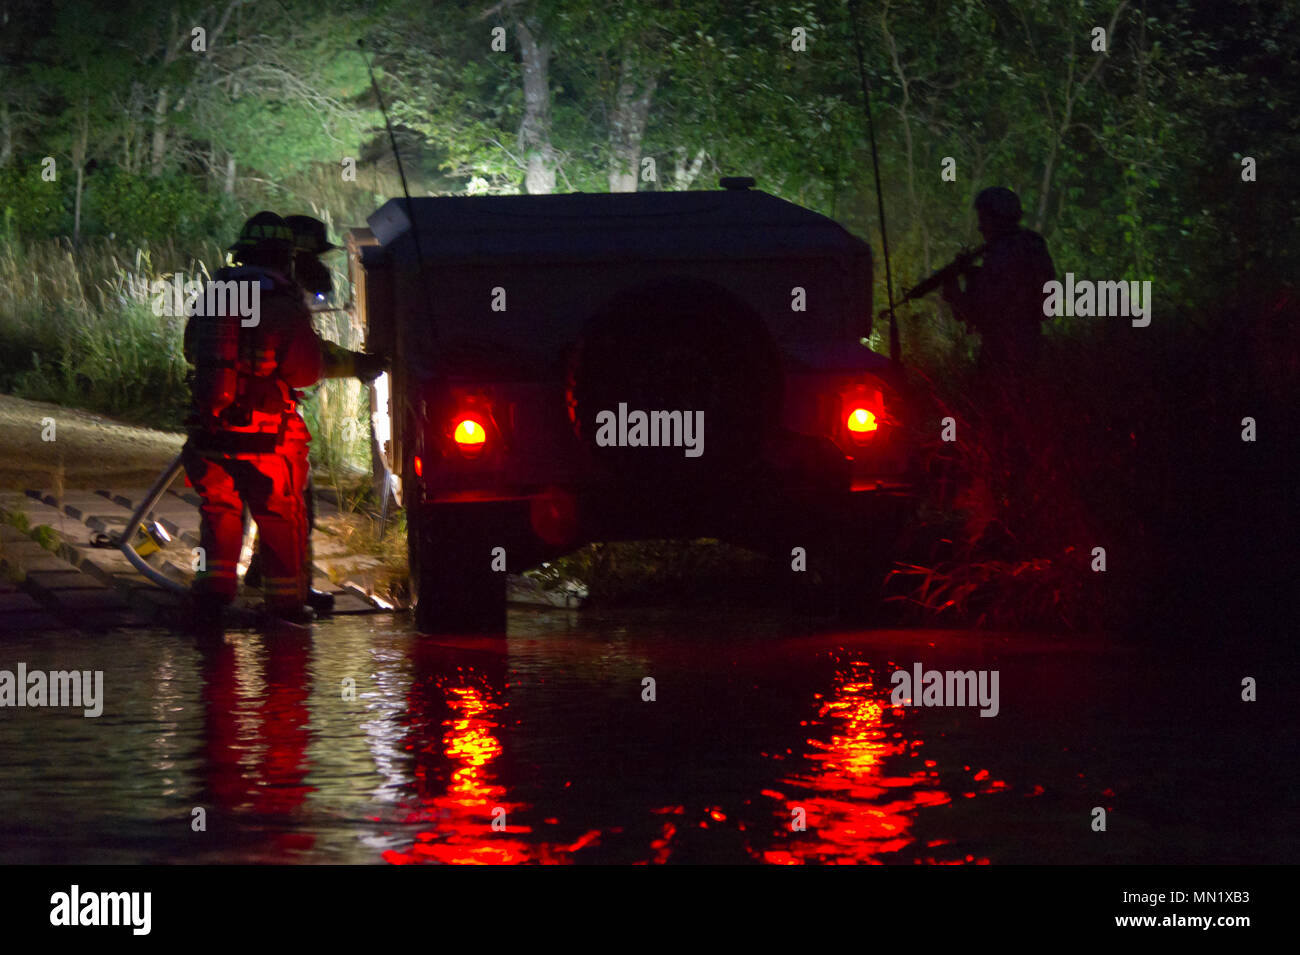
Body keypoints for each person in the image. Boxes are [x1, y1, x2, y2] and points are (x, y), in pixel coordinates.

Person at [181, 211, 325, 630]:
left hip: (210, 435)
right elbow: (305, 373)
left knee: (218, 510)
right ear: (285, 256)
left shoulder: (216, 294)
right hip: (266, 440)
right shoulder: (284, 304)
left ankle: (212, 595)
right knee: (281, 515)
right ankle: (285, 607)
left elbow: (193, 349)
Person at [943, 187, 1056, 375]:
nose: (981, 227)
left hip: (1002, 353)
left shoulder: (1003, 252)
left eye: (984, 219)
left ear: (997, 218)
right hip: (1030, 345)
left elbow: (978, 311)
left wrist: (953, 288)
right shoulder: (1032, 244)